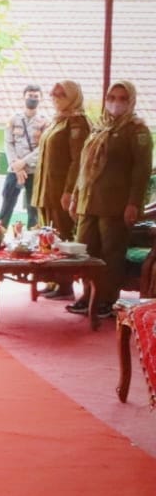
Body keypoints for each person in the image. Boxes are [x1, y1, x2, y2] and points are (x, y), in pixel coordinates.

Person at [67, 81, 152, 319]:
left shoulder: (136, 130)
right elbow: (84, 167)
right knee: (85, 250)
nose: (116, 102)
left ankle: (105, 300)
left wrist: (134, 202)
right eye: (112, 97)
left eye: (122, 98)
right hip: (89, 201)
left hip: (116, 205)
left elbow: (141, 171)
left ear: (131, 101)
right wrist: (75, 196)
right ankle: (87, 296)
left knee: (110, 254)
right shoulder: (99, 128)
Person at [31, 80, 91, 299]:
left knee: (62, 236)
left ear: (73, 97)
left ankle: (65, 284)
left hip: (61, 192)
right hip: (46, 190)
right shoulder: (57, 121)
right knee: (47, 236)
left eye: (61, 95)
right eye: (53, 94)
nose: (55, 98)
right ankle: (53, 280)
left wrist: (69, 191)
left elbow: (78, 161)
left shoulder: (77, 122)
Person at [0, 84, 48, 229]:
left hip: (33, 171)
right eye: (30, 96)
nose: (32, 99)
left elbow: (43, 148)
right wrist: (16, 165)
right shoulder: (14, 119)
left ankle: (32, 241)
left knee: (33, 209)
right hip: (14, 170)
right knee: (7, 204)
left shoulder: (45, 122)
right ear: (23, 97)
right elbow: (8, 143)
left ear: (41, 99)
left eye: (35, 97)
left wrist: (23, 163)